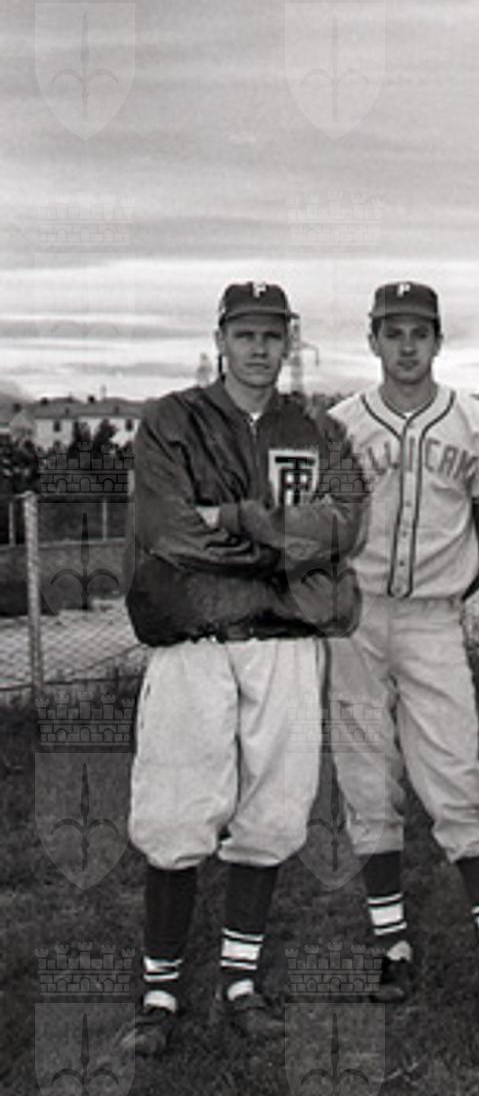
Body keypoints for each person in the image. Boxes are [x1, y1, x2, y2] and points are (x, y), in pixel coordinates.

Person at [118, 281, 366, 1056]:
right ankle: (159, 995)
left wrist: (237, 518)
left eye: (272, 334)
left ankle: (240, 985)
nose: (259, 348)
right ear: (220, 339)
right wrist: (287, 552)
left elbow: (346, 527)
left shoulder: (318, 429)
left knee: (275, 812)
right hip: (192, 639)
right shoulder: (172, 419)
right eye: (245, 334)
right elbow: (169, 531)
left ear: (288, 340)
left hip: (284, 644)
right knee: (175, 812)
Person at [327, 280, 479, 1002]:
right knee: (365, 772)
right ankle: (391, 942)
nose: (406, 346)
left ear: (438, 341)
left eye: (419, 332)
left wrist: (451, 593)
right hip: (358, 616)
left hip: (434, 616)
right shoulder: (339, 425)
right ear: (372, 339)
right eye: (392, 332)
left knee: (455, 770)